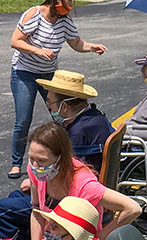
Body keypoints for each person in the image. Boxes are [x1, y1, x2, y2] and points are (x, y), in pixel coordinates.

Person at [0, 72, 114, 240]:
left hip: (69, 201)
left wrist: (35, 179)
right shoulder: (93, 118)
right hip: (73, 193)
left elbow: (66, 173)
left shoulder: (77, 133)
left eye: (50, 102)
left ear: (66, 107)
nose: (49, 107)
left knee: (1, 211)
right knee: (14, 200)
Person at [9, 0, 107, 179]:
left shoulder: (64, 20)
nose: (70, 4)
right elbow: (15, 41)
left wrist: (92, 47)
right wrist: (38, 51)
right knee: (23, 120)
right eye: (68, 0)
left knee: (62, 114)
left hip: (49, 74)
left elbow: (76, 43)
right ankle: (16, 163)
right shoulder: (35, 14)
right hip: (24, 72)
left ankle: (60, 156)